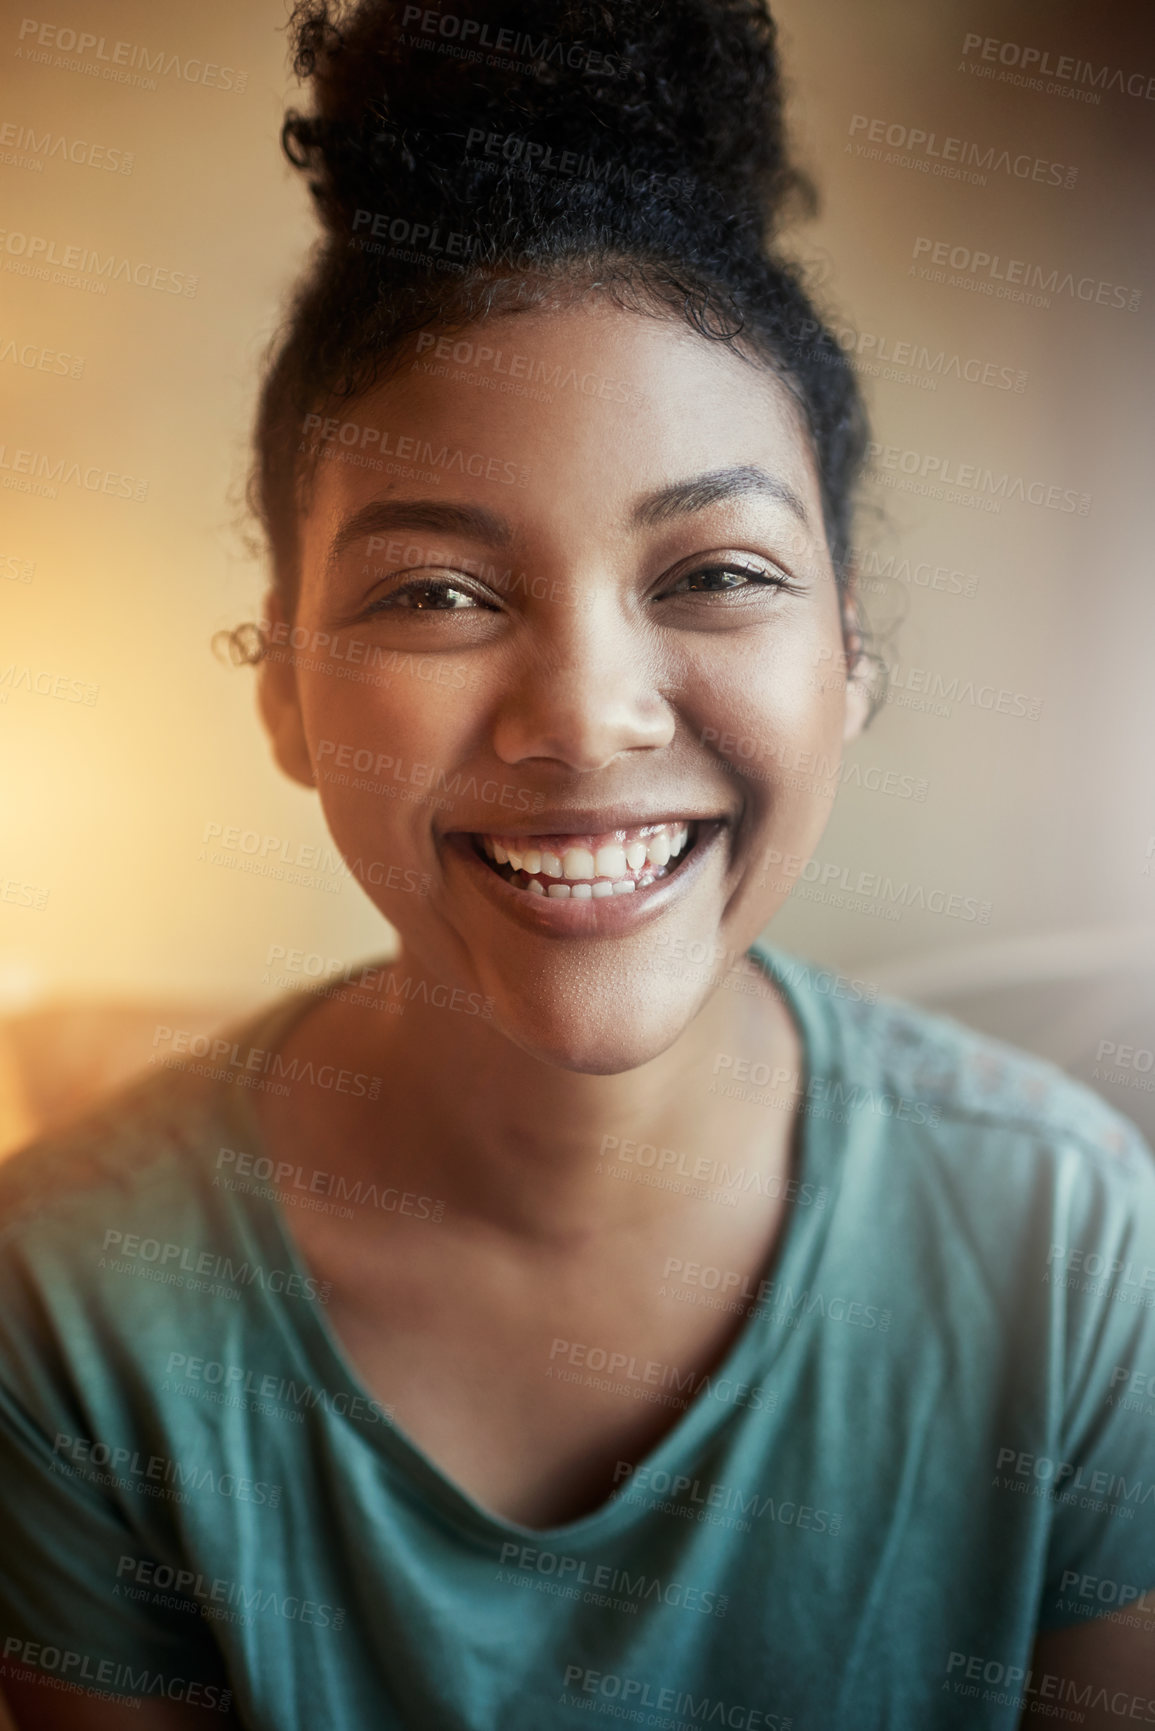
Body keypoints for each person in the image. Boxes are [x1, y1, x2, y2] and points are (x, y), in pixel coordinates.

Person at [1, 2, 1153, 1726]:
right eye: (439, 594)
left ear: (853, 665)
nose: (586, 717)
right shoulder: (73, 1304)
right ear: (290, 697)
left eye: (717, 573)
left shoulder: (1062, 1247)